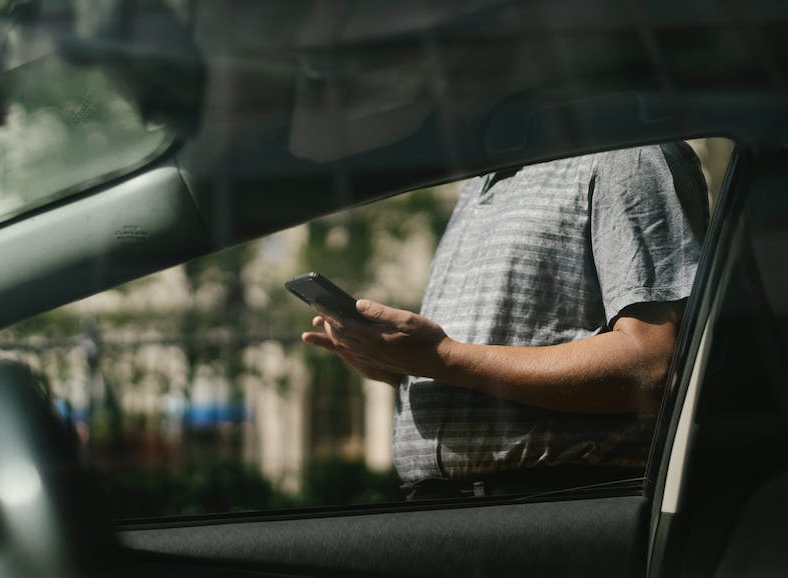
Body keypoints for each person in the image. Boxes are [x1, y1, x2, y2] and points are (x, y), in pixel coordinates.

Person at [302, 144, 708, 498]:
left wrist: (442, 358)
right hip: (449, 508)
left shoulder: (628, 157)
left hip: (556, 504)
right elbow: (474, 364)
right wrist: (399, 363)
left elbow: (651, 365)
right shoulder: (478, 184)